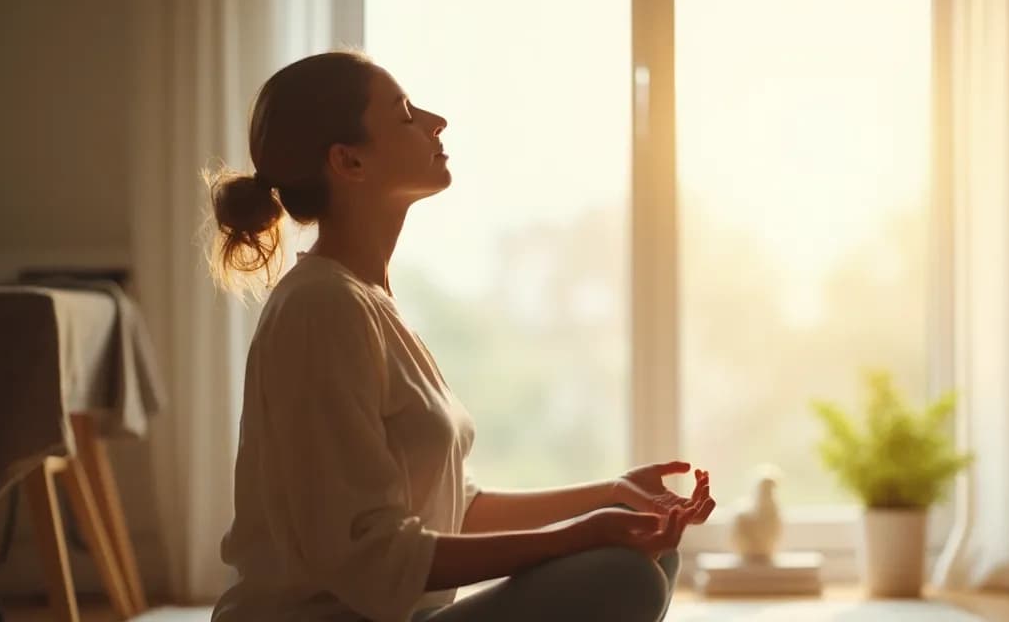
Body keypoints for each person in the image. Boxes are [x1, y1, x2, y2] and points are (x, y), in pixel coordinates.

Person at [205, 50, 717, 622]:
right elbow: (372, 556)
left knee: (644, 554)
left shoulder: (366, 303)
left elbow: (456, 510)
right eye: (404, 114)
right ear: (348, 161)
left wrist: (611, 494)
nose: (435, 120)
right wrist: (577, 537)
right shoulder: (320, 310)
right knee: (622, 575)